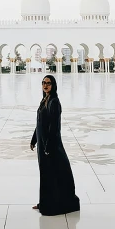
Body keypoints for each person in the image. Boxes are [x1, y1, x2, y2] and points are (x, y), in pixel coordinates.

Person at [30, 75, 80, 216]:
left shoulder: (54, 102)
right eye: (43, 83)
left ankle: (52, 205)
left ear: (53, 85)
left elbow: (54, 127)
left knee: (53, 174)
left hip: (50, 145)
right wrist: (34, 139)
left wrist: (48, 146)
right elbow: (39, 122)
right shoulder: (44, 100)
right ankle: (44, 203)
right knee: (45, 174)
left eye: (48, 83)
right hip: (43, 144)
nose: (45, 85)